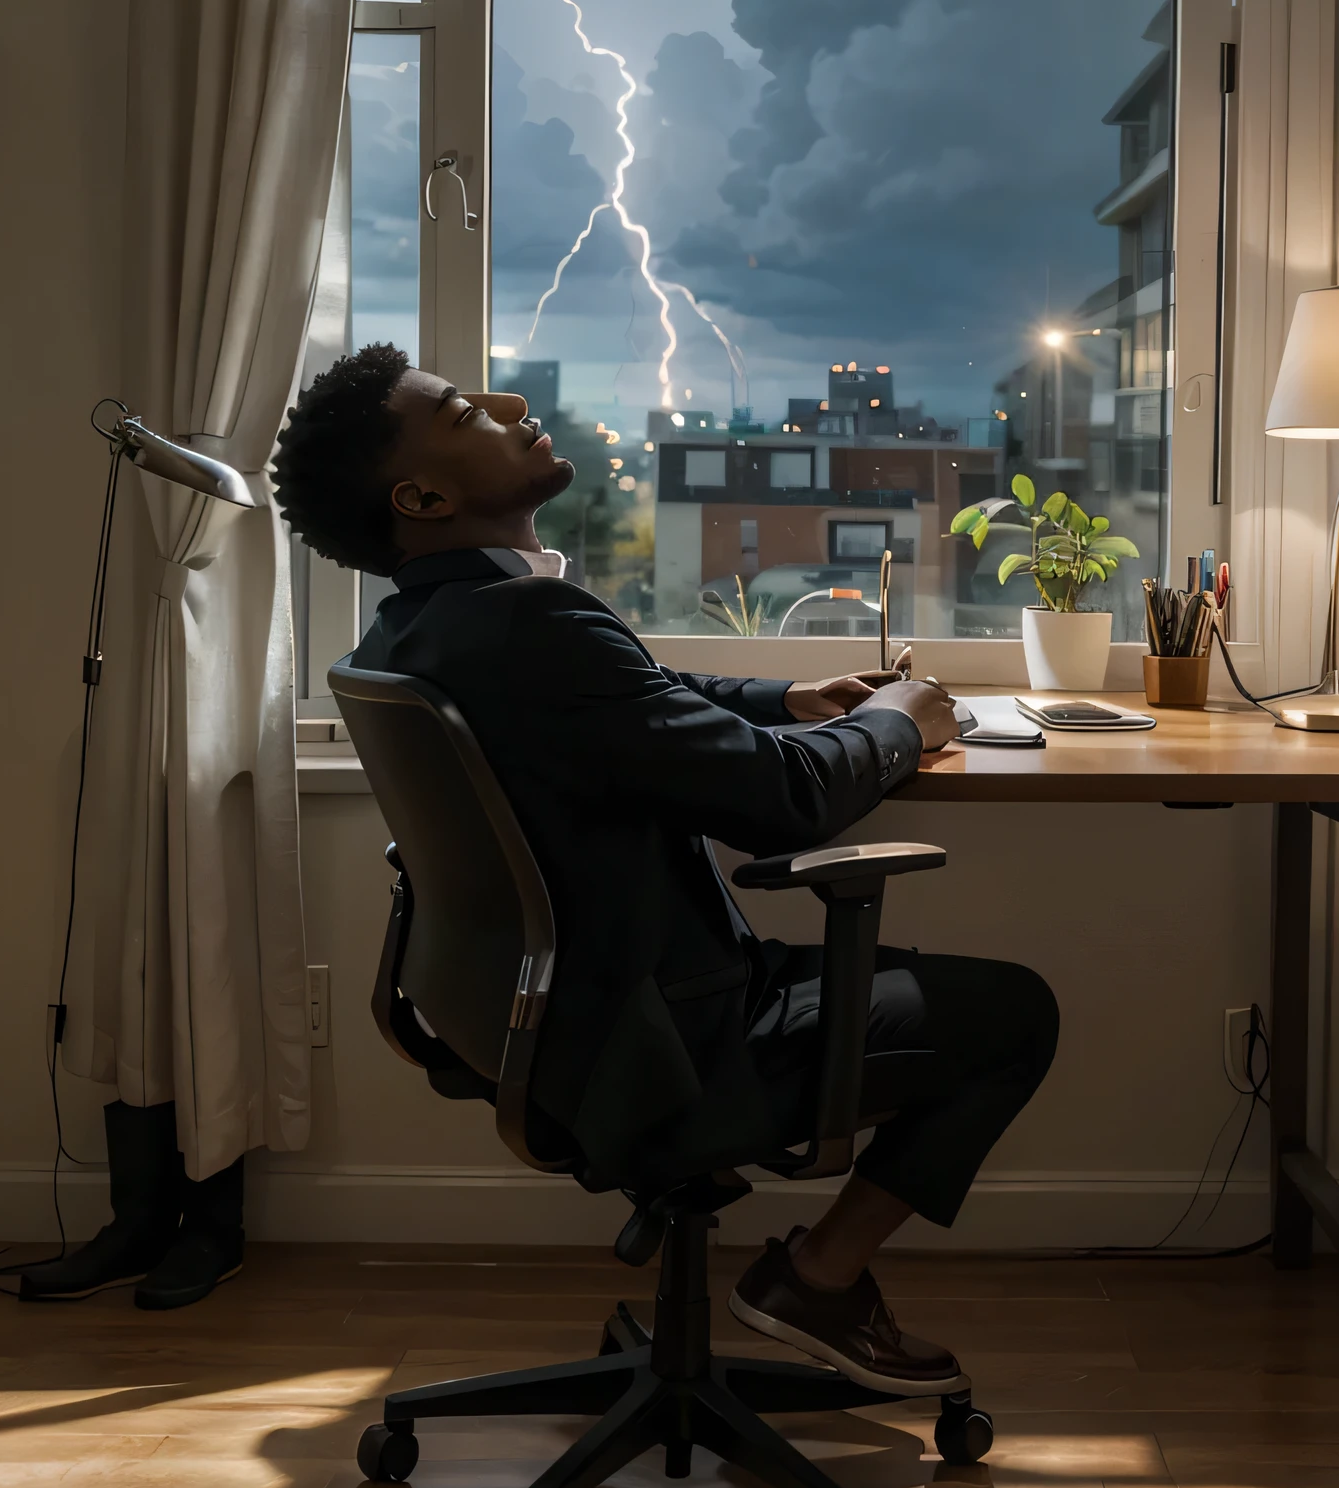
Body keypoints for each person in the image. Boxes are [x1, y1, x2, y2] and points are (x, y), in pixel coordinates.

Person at [268, 345, 1058, 1395]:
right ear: (423, 493)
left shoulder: (428, 625)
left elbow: (634, 690)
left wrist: (781, 700)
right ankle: (817, 1276)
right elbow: (781, 800)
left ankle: (810, 1280)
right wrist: (898, 724)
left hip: (549, 1023)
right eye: (465, 413)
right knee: (1013, 1012)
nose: (508, 407)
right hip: (668, 1036)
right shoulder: (530, 627)